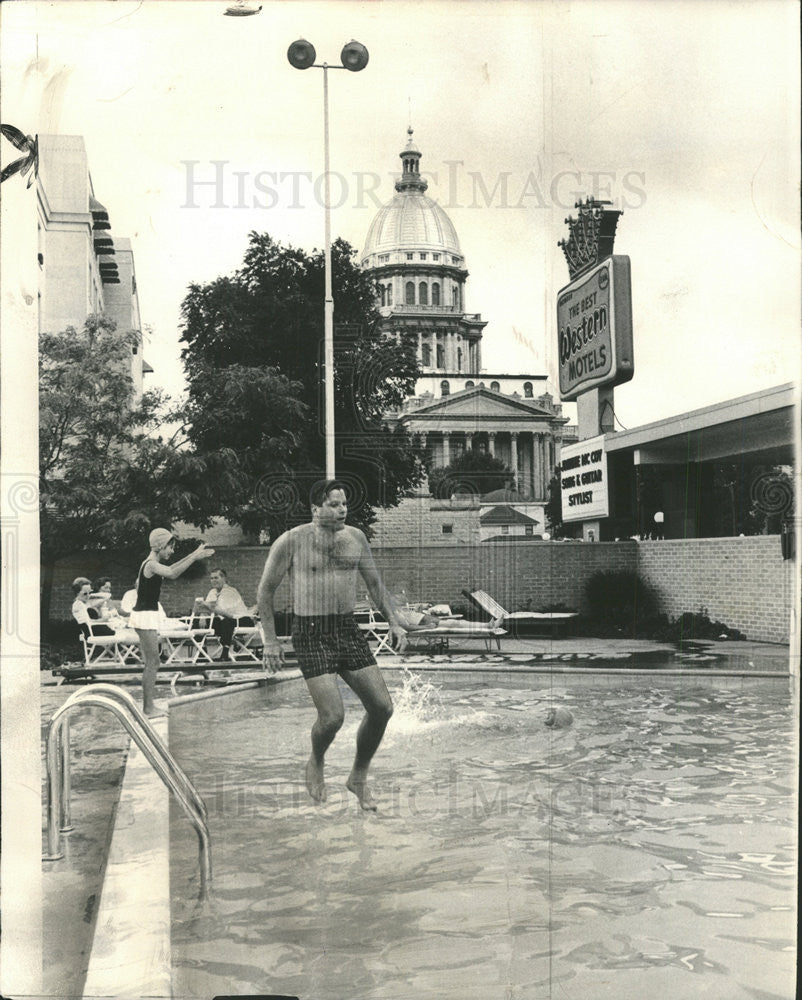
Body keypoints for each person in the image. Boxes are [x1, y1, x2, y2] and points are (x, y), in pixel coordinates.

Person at [257, 479, 406, 811]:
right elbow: (265, 591)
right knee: (333, 717)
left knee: (382, 707)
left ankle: (358, 777)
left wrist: (393, 621)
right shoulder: (291, 542)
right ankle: (317, 760)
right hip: (310, 631)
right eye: (335, 504)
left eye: (344, 504)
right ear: (316, 508)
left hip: (347, 628)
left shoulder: (356, 539)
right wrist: (270, 641)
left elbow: (374, 584)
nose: (342, 510)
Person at [129, 528, 214, 716]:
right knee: (153, 662)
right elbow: (172, 573)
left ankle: (148, 706)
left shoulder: (152, 563)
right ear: (159, 546)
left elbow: (172, 567)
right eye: (170, 548)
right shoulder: (151, 564)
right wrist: (193, 557)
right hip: (144, 616)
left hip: (145, 615)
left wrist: (194, 554)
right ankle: (148, 708)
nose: (172, 552)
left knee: (152, 662)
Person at [197, 568, 256, 661]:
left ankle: (225, 654)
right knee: (197, 622)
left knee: (227, 622)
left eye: (216, 578)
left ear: (224, 578)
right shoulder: (212, 592)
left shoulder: (230, 591)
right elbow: (206, 608)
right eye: (211, 578)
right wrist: (202, 617)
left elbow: (226, 614)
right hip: (227, 620)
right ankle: (202, 652)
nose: (213, 580)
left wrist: (207, 605)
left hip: (243, 619)